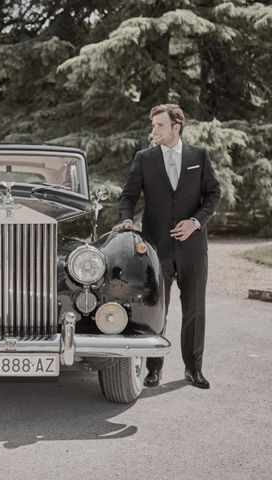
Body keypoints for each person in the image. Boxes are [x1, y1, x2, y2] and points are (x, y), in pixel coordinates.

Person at [117, 104, 221, 389]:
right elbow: (128, 197)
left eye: (160, 125)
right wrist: (126, 220)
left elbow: (214, 193)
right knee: (157, 309)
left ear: (177, 127)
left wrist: (196, 222)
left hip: (193, 247)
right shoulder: (144, 159)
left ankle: (193, 369)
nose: (154, 130)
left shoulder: (199, 156)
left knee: (195, 309)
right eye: (154, 125)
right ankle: (154, 369)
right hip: (157, 247)